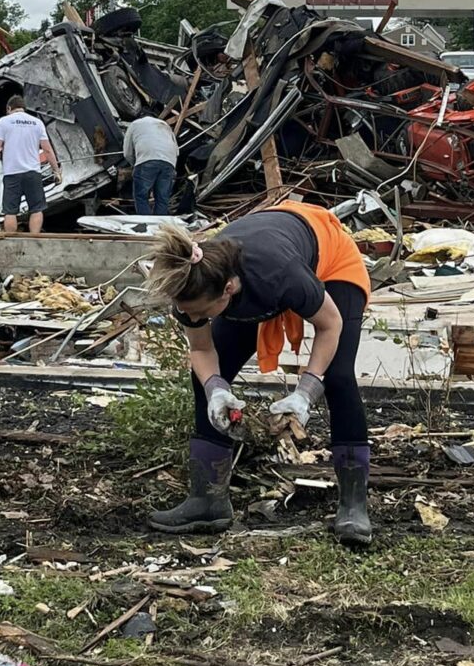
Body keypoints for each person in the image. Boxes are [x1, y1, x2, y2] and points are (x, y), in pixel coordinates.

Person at [145, 204, 374, 546]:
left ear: (228, 290)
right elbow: (202, 351)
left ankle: (354, 505)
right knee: (205, 375)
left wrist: (305, 393)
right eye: (187, 312)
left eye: (201, 314)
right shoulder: (194, 281)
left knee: (338, 377)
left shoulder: (279, 276)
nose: (192, 317)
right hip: (271, 254)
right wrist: (215, 390)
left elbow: (330, 325)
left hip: (331, 258)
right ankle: (208, 501)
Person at [0, 94, 59, 234]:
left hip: (12, 174)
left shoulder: (4, 122)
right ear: (23, 108)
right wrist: (56, 170)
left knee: (10, 211)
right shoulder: (37, 123)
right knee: (36, 209)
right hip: (33, 173)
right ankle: (34, 238)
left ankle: (12, 240)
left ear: (9, 108)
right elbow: (47, 150)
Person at [123, 108, 178, 215]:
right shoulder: (165, 125)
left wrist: (135, 165)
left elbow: (127, 153)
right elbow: (176, 150)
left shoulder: (135, 124)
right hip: (169, 161)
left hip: (147, 159)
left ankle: (146, 225)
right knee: (162, 199)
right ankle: (160, 226)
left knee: (141, 196)